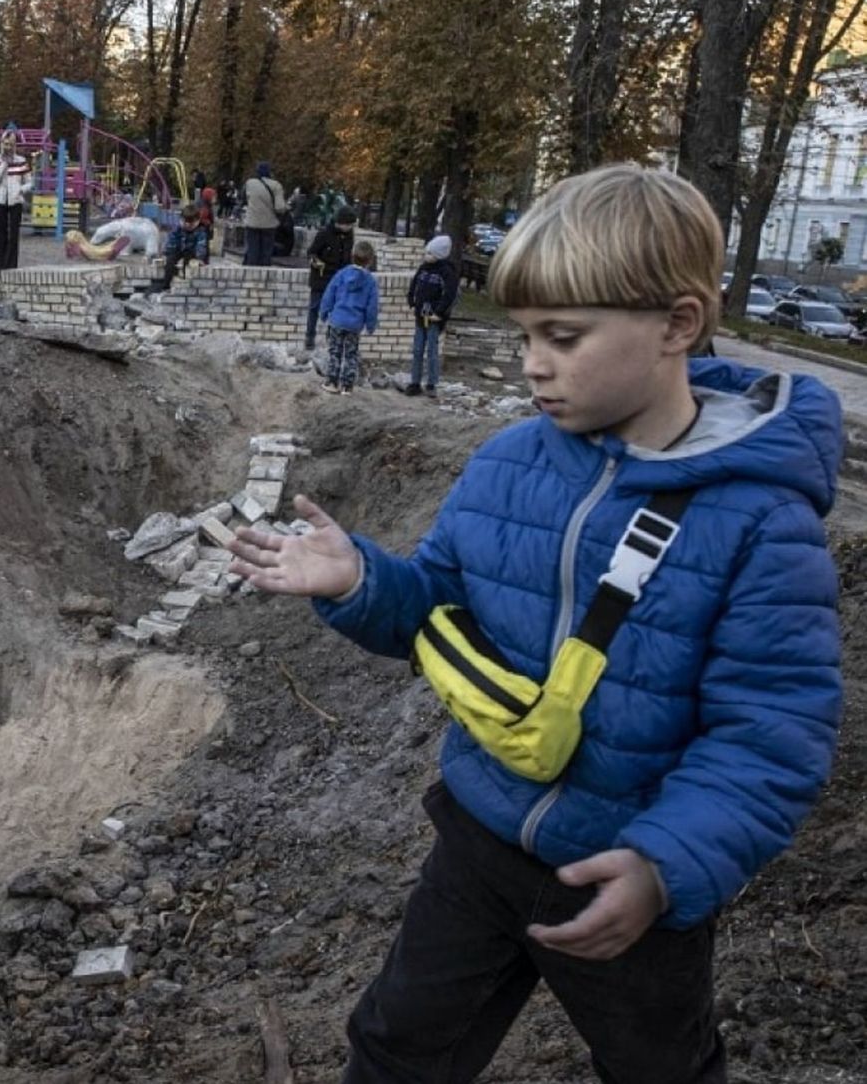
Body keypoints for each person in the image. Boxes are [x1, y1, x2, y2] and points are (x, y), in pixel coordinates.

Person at [229, 163, 842, 1084]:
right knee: (398, 1043)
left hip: (623, 872)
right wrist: (360, 581)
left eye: (564, 335)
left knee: (658, 1065)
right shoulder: (509, 459)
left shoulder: (761, 523)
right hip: (478, 838)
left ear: (677, 324)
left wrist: (665, 864)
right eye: (523, 335)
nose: (532, 363)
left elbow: (771, 736)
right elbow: (436, 610)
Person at [318, 238, 377, 395]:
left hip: (337, 320)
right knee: (351, 354)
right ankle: (347, 386)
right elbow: (372, 306)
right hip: (355, 324)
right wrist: (370, 325)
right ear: (370, 261)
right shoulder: (370, 281)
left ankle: (332, 382)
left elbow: (329, 294)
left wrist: (324, 312)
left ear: (352, 256)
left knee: (335, 352)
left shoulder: (341, 274)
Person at [405, 234, 460, 397]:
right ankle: (415, 382)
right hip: (420, 316)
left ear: (439, 255)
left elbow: (449, 295)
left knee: (432, 351)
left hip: (434, 319)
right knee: (417, 350)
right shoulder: (423, 269)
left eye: (430, 253)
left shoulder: (446, 273)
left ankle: (431, 384)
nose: (426, 256)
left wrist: (439, 313)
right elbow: (414, 284)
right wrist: (411, 300)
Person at [305, 206, 357, 350]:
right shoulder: (324, 234)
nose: (350, 227)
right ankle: (309, 338)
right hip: (321, 278)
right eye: (349, 224)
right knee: (315, 309)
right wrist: (316, 262)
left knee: (336, 310)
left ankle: (331, 338)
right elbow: (311, 253)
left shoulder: (349, 235)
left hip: (339, 280)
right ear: (341, 223)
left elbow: (347, 256)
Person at [0, 131, 31, 272]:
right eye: (5, 144)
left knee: (14, 235)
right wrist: (4, 164)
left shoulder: (21, 161)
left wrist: (20, 190)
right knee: (2, 235)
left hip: (15, 202)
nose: (8, 147)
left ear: (15, 145)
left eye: (11, 144)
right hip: (1, 201)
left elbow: (29, 183)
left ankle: (12, 268)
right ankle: (2, 269)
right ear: (1, 144)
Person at [242, 162, 288, 267]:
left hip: (252, 223)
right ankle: (264, 277)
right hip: (269, 224)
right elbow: (279, 207)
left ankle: (250, 275)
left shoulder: (250, 183)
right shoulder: (276, 185)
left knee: (252, 251)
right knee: (266, 254)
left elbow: (245, 198)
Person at [158, 203, 210, 289]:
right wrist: (167, 253)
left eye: (191, 223)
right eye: (186, 222)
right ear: (182, 220)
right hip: (178, 249)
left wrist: (199, 258)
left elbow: (201, 245)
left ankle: (186, 284)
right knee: (170, 261)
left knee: (188, 262)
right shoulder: (177, 228)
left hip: (191, 251)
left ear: (197, 221)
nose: (188, 225)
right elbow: (171, 241)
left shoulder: (201, 231)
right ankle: (166, 284)